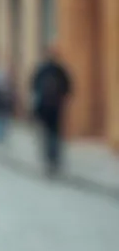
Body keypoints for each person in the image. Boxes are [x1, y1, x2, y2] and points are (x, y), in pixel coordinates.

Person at [31, 43, 72, 176]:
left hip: (52, 108)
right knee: (51, 134)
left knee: (52, 134)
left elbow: (68, 86)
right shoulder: (50, 70)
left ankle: (52, 159)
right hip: (49, 108)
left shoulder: (53, 70)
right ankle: (52, 159)